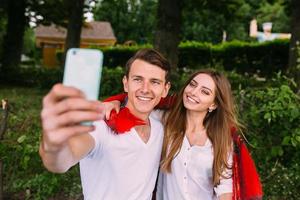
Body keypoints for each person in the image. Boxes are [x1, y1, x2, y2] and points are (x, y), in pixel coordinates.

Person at [106, 69, 262, 200]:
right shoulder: (163, 120)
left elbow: (224, 188)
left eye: (205, 92)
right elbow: (136, 105)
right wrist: (116, 102)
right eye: (192, 85)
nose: (193, 92)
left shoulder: (221, 140)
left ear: (213, 104)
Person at [39, 48, 171, 199]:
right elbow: (62, 161)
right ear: (126, 84)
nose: (145, 89)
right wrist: (53, 145)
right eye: (138, 79)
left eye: (155, 82)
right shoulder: (99, 125)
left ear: (165, 89)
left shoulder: (160, 127)